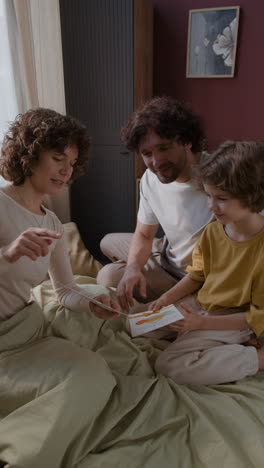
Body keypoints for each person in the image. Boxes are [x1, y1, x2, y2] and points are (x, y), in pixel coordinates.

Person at [0, 108, 121, 467]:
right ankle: (21, 455)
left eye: (72, 161)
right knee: (85, 380)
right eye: (57, 158)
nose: (67, 170)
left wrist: (93, 304)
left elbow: (66, 290)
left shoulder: (52, 220)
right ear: (29, 154)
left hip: (27, 331)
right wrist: (8, 254)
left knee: (99, 372)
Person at [153, 140, 264, 386]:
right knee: (135, 323)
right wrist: (165, 300)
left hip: (235, 321)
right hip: (202, 305)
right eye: (209, 196)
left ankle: (257, 357)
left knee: (168, 366)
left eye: (221, 198)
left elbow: (256, 316)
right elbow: (196, 275)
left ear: (253, 194)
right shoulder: (213, 231)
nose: (211, 206)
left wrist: (203, 323)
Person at [97, 96, 214, 311]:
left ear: (187, 141)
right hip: (167, 256)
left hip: (199, 278)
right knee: (108, 262)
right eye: (147, 153)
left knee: (162, 320)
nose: (156, 162)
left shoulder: (220, 178)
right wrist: (133, 268)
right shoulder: (151, 179)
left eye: (164, 148)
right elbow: (143, 234)